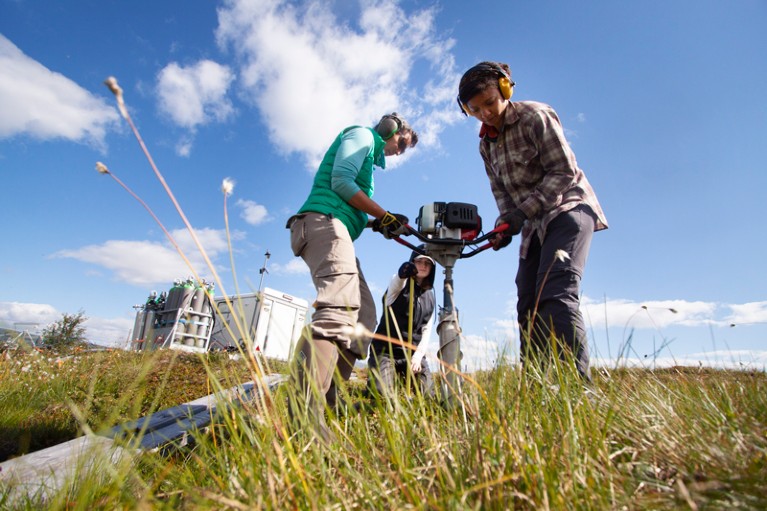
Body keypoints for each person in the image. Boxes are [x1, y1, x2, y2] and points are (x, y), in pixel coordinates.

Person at [456, 61, 608, 380]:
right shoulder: (485, 145)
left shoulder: (535, 116)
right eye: (475, 109)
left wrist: (521, 213)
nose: (484, 113)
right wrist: (504, 226)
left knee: (556, 293)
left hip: (568, 208)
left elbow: (563, 171)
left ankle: (577, 390)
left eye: (489, 103)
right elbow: (502, 194)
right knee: (527, 303)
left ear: (505, 90)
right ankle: (538, 389)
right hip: (533, 228)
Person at [287, 112, 418, 438]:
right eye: (402, 142)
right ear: (392, 128)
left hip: (336, 225)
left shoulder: (369, 161)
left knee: (364, 316)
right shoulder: (361, 135)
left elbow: (353, 202)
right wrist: (383, 214)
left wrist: (380, 223)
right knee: (337, 307)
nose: (399, 151)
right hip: (322, 222)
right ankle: (302, 415)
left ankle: (330, 403)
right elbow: (341, 183)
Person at [368, 252, 437, 399]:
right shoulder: (400, 285)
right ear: (412, 262)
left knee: (428, 396)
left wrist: (418, 356)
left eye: (427, 263)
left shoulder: (430, 297)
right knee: (383, 396)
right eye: (419, 261)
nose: (423, 266)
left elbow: (426, 330)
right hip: (386, 351)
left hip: (412, 354)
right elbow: (396, 282)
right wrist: (401, 275)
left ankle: (405, 378)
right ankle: (375, 382)